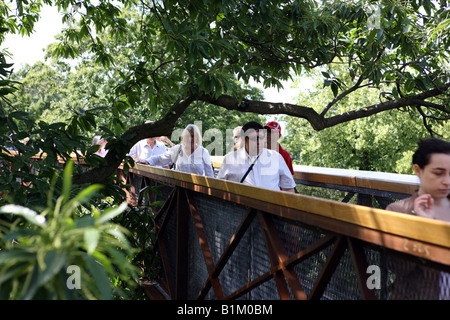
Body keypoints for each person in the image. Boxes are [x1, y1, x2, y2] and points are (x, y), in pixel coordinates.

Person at [386, 137, 450, 300]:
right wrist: (425, 227)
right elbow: (399, 267)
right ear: (418, 170)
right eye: (439, 173)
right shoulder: (398, 211)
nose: (447, 182)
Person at [217, 121, 296, 192]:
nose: (259, 142)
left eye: (262, 137)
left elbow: (289, 188)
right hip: (241, 207)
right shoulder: (230, 159)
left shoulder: (276, 157)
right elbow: (219, 187)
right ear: (244, 139)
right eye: (254, 138)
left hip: (270, 207)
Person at [144, 124, 214, 177]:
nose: (190, 139)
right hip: (178, 191)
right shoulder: (177, 149)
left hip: (197, 192)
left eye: (193, 136)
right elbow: (160, 159)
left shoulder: (203, 152)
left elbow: (210, 175)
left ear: (197, 137)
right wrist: (147, 161)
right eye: (188, 136)